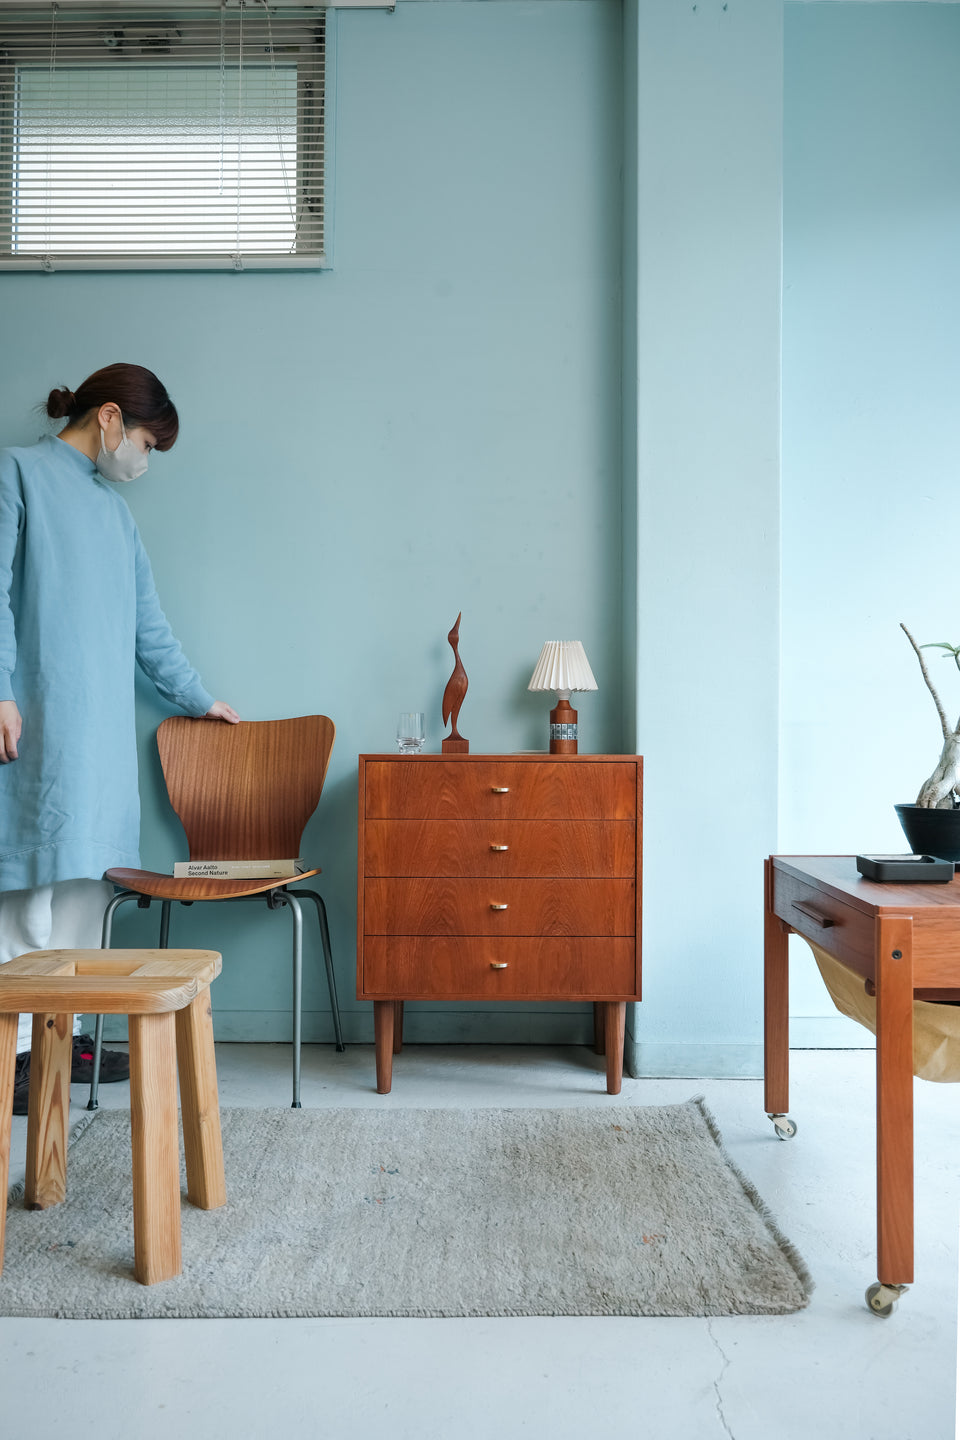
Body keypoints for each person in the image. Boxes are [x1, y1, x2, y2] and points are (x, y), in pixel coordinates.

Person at [0, 363, 239, 1113]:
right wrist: (0, 690)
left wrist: (201, 699)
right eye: (142, 441)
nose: (141, 459)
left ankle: (62, 1037)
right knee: (24, 885)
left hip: (99, 729)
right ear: (109, 419)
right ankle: (14, 1049)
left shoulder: (115, 516)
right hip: (32, 716)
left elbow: (149, 629)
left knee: (84, 882)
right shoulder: (18, 473)